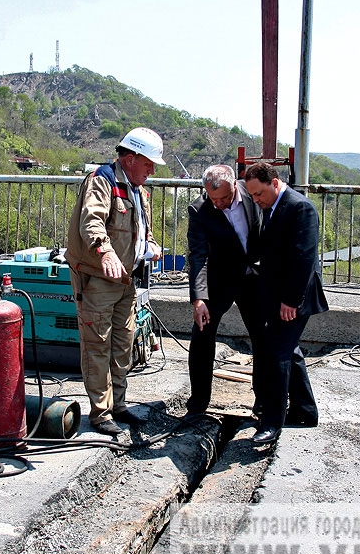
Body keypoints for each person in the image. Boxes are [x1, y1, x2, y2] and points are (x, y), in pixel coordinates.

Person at [65, 127, 165, 436]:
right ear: (131, 158)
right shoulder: (103, 181)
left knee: (123, 345)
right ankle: (101, 412)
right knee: (98, 345)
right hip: (98, 279)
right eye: (148, 163)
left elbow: (138, 230)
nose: (151, 170)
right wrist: (105, 251)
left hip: (127, 280)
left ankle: (118, 405)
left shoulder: (138, 190)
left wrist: (149, 247)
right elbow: (91, 220)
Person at [243, 162, 329, 444]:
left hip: (295, 298)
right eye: (252, 195)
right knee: (288, 351)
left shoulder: (299, 208)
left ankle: (271, 422)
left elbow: (304, 257)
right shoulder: (271, 207)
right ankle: (305, 412)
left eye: (258, 193)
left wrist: (291, 301)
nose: (255, 200)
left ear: (275, 183)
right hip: (277, 295)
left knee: (276, 355)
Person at [186, 164, 265, 417]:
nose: (218, 203)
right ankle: (198, 403)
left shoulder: (253, 195)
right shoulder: (200, 210)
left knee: (262, 337)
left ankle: (263, 401)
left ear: (234, 185)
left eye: (224, 198)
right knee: (201, 335)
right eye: (213, 198)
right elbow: (198, 256)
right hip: (218, 281)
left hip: (253, 277)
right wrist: (199, 299)